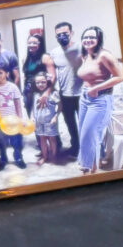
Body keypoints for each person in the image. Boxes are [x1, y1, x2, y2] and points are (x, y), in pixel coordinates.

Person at [74, 26, 123, 174]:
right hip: (85, 97)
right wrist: (87, 89)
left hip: (100, 99)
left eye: (92, 37)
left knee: (90, 135)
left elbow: (120, 77)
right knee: (84, 135)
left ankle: (91, 171)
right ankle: (90, 166)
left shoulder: (105, 55)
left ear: (98, 39)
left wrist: (96, 88)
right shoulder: (85, 55)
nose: (88, 40)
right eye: (85, 37)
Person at [52, 21, 83, 155]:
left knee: (86, 123)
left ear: (71, 33)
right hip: (65, 94)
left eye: (65, 33)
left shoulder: (81, 47)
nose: (62, 37)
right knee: (70, 123)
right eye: (58, 35)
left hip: (82, 93)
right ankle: (75, 147)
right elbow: (52, 73)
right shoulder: (54, 52)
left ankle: (93, 149)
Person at [0, 66, 27, 171]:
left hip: (13, 120)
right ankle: (3, 160)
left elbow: (18, 104)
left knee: (16, 141)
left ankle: (18, 158)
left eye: (0, 73)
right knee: (2, 142)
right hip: (0, 121)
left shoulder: (13, 87)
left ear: (7, 74)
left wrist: (20, 118)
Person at [20, 30, 55, 114]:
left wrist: (47, 93)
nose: (31, 45)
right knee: (31, 116)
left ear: (40, 44)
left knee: (43, 116)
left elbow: (53, 77)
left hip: (41, 92)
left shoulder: (45, 57)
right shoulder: (25, 58)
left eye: (35, 43)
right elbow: (25, 76)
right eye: (29, 43)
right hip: (28, 92)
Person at [31, 71, 62, 164]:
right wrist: (32, 117)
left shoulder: (53, 93)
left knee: (52, 139)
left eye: (43, 82)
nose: (40, 84)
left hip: (50, 121)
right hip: (38, 121)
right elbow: (33, 107)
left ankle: (53, 156)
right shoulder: (35, 94)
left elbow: (60, 106)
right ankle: (44, 157)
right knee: (42, 139)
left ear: (47, 82)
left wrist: (55, 116)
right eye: (37, 82)